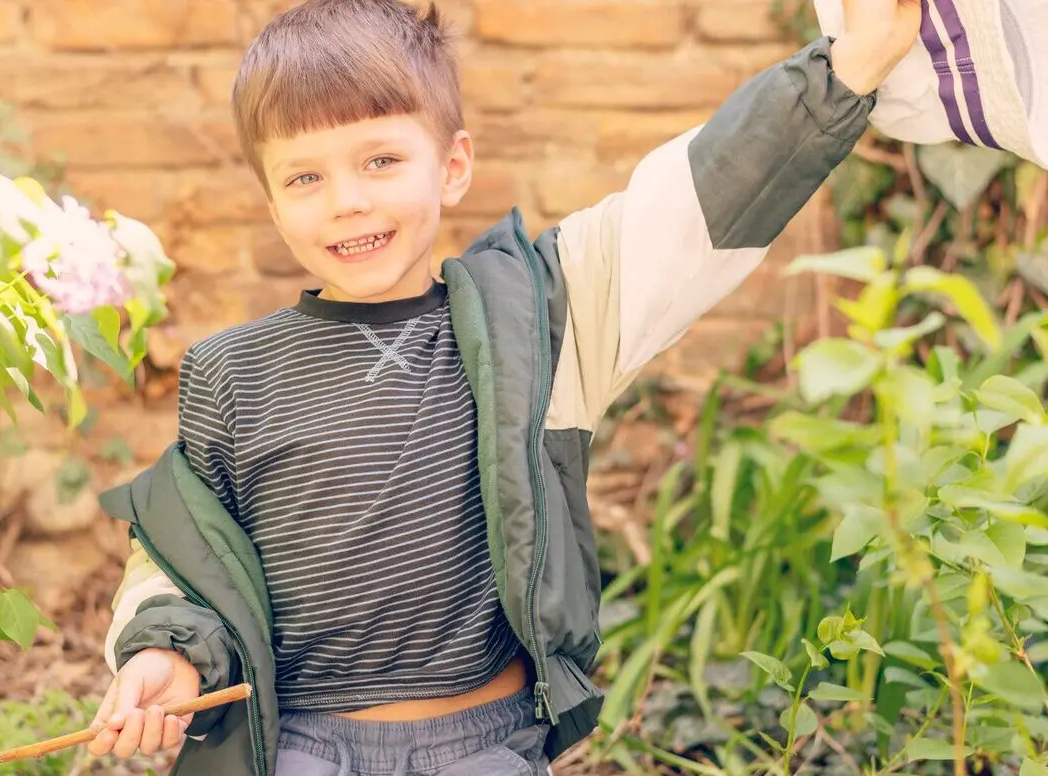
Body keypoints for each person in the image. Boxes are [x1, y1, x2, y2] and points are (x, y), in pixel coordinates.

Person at [85, 0, 921, 773]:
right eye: (305, 177)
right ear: (271, 202)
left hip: (485, 744)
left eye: (381, 158)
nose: (346, 201)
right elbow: (181, 555)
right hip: (305, 744)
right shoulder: (233, 373)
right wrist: (163, 650)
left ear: (453, 167)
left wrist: (848, 67)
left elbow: (692, 205)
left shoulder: (534, 320)